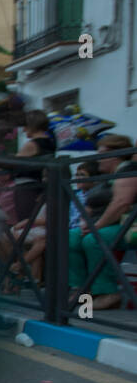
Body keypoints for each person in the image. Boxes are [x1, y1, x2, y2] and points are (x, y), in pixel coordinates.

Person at [70, 133, 137, 310]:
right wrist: (87, 222)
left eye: (100, 153)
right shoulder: (108, 176)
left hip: (128, 226)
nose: (97, 159)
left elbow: (122, 203)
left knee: (95, 239)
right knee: (71, 238)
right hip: (110, 224)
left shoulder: (128, 169)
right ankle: (82, 290)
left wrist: (95, 226)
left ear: (114, 155)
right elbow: (93, 203)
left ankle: (108, 293)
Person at [10, 109, 58, 225]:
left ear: (31, 125)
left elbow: (12, 163)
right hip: (40, 186)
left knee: (25, 223)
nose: (24, 129)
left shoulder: (31, 144)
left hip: (26, 187)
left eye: (25, 126)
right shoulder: (51, 143)